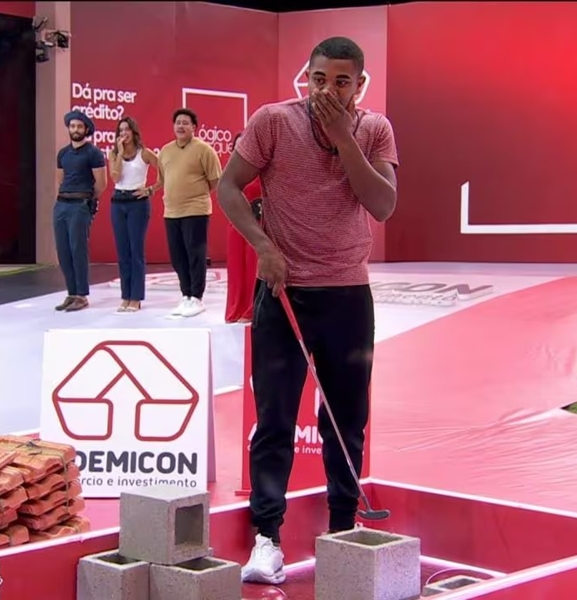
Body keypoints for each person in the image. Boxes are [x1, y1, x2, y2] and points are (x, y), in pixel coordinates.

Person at [217, 36, 399, 585]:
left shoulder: (374, 129)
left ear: (358, 85)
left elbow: (383, 204)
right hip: (283, 293)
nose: (327, 90)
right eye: (319, 79)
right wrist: (263, 247)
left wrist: (344, 139)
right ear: (308, 78)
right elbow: (228, 188)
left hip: (347, 296)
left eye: (341, 82)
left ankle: (342, 530)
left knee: (346, 420)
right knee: (273, 420)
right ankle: (266, 538)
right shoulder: (273, 121)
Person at [156, 108, 223, 318]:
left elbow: (215, 181)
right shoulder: (165, 151)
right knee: (177, 257)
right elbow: (162, 179)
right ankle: (185, 295)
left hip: (196, 210)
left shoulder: (204, 150)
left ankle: (197, 297)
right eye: (178, 122)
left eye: (185, 123)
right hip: (171, 212)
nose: (181, 126)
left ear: (194, 127)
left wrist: (195, 195)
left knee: (195, 254)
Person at [53, 110, 107, 312]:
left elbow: (101, 183)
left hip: (80, 204)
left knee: (78, 249)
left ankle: (82, 295)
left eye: (79, 126)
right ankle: (71, 292)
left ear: (86, 129)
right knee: (63, 250)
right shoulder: (63, 154)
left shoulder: (93, 153)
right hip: (61, 204)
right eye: (72, 126)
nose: (75, 129)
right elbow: (60, 179)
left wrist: (88, 200)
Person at [108, 117, 159, 313]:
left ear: (134, 132)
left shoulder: (144, 153)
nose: (123, 134)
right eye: (120, 131)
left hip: (137, 202)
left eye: (127, 130)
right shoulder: (114, 154)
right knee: (123, 252)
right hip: (118, 202)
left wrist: (151, 189)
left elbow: (165, 171)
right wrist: (120, 153)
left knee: (136, 250)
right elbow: (115, 177)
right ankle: (125, 296)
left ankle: (136, 297)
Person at [224, 132, 261, 323]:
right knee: (236, 268)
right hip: (235, 225)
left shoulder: (262, 171)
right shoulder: (229, 174)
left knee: (254, 266)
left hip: (257, 224)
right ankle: (235, 308)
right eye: (236, 147)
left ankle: (251, 309)